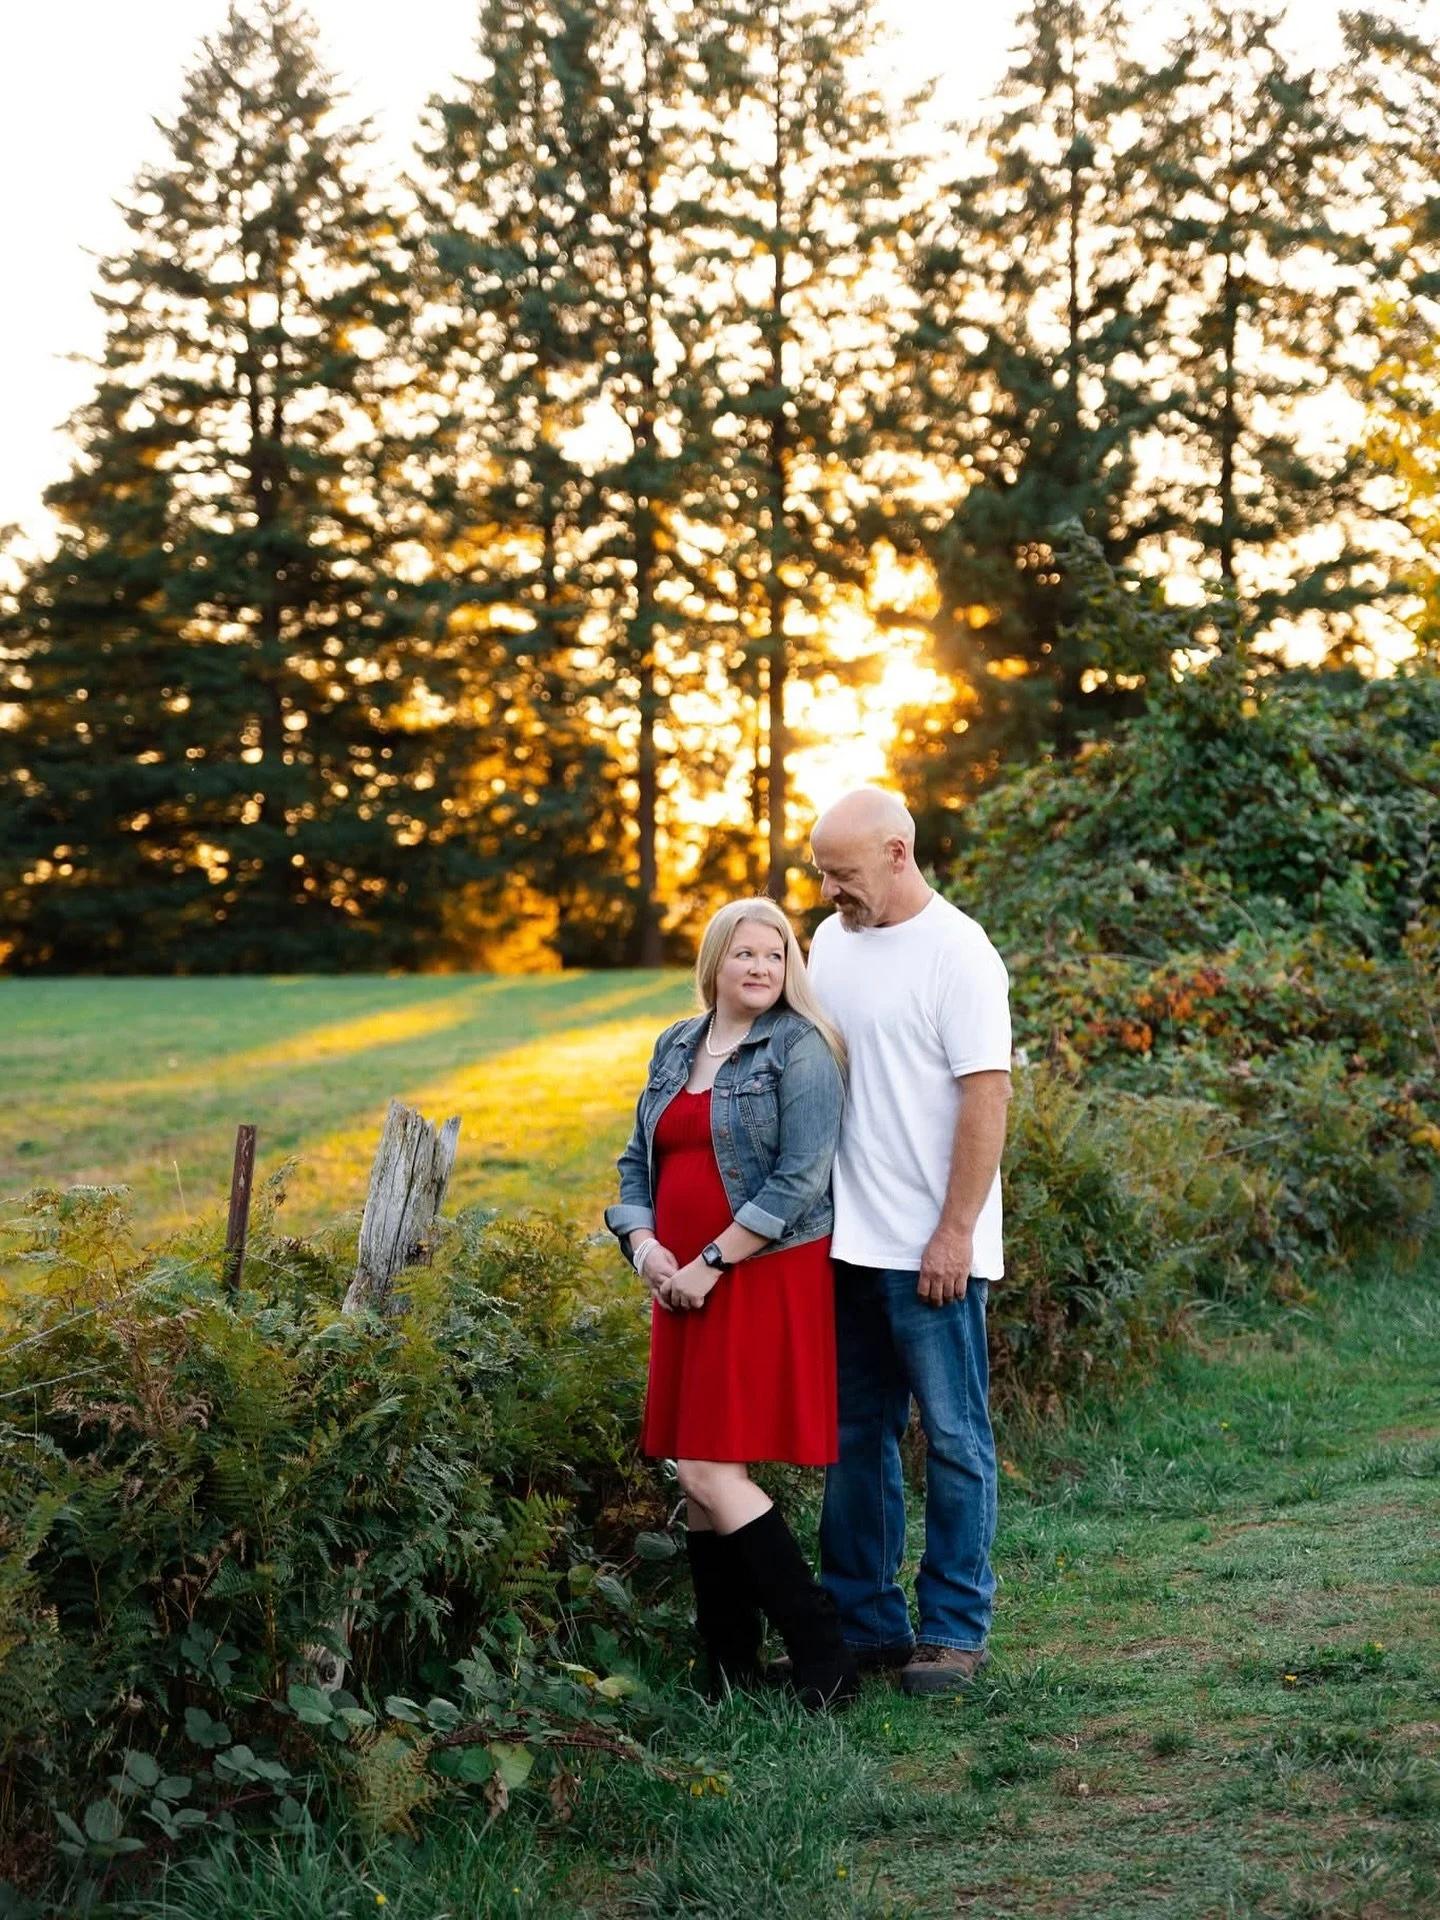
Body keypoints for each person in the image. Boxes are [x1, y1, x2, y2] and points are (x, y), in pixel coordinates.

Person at [604, 897, 858, 1710]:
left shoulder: (800, 1048)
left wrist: (711, 1262)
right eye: (746, 954)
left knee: (713, 1469)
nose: (761, 969)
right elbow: (634, 1161)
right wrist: (644, 1246)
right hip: (676, 1282)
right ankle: (730, 1669)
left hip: (759, 1272)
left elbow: (800, 1177)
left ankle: (824, 1654)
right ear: (714, 962)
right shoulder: (675, 1045)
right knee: (700, 1469)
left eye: (776, 957)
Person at [806, 788, 1012, 1698]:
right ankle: (868, 1627)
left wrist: (955, 1233)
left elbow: (987, 1098)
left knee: (957, 1440)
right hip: (843, 1246)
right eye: (820, 872)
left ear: (897, 853)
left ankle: (955, 1633)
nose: (827, 889)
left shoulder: (959, 952)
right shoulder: (827, 943)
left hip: (932, 1252)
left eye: (842, 874)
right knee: (855, 1441)